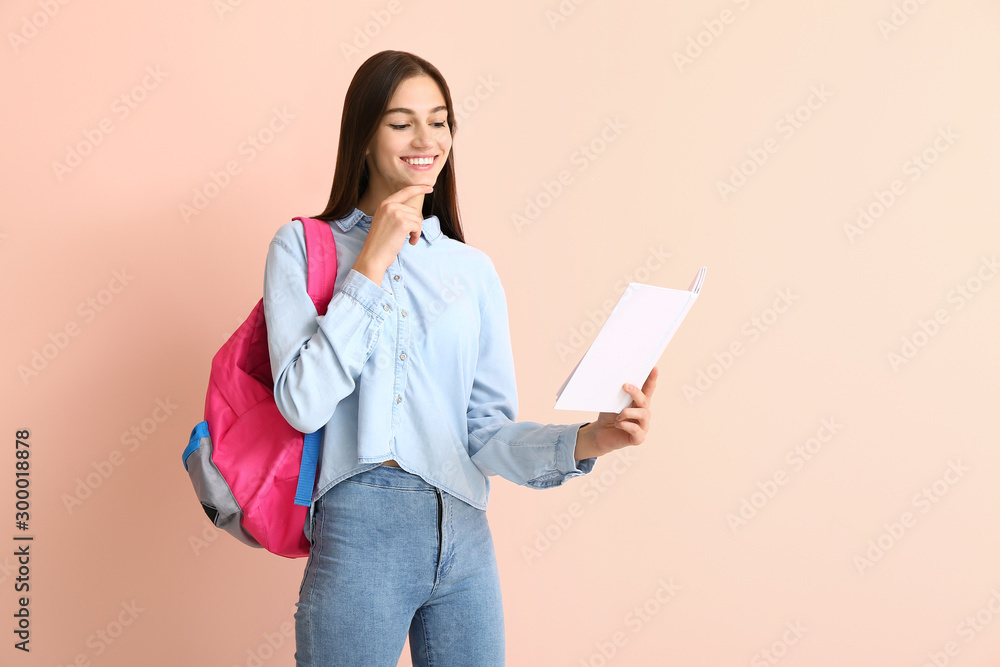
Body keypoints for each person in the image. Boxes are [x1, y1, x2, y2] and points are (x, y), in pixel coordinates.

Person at [262, 49, 657, 667]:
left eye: (440, 120)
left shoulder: (471, 272)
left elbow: (484, 433)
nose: (427, 139)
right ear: (363, 137)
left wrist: (587, 441)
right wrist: (369, 264)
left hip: (467, 538)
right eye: (401, 122)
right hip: (362, 531)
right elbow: (302, 404)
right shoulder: (302, 247)